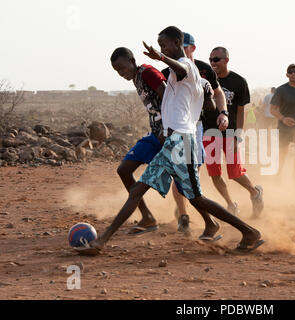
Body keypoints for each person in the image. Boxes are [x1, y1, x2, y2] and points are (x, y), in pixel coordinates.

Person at [81, 26, 263, 255]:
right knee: (163, 193)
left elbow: (181, 68)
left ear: (178, 42)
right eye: (160, 46)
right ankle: (103, 241)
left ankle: (249, 232)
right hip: (174, 140)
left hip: (182, 141)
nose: (162, 49)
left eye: (165, 45)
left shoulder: (186, 65)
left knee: (188, 196)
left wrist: (161, 58)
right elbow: (203, 95)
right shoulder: (180, 73)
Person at [161, 32, 229, 234]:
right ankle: (184, 215)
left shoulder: (204, 69)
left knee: (193, 172)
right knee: (181, 173)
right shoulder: (169, 70)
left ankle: (200, 215)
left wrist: (223, 113)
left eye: (187, 47)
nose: (183, 51)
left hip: (196, 127)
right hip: (177, 129)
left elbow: (218, 93)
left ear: (191, 48)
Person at [110, 47, 166, 235]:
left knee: (187, 189)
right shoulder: (136, 78)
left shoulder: (148, 72)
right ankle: (148, 217)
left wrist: (167, 127)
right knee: (124, 170)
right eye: (117, 71)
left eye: (123, 68)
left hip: (168, 135)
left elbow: (168, 97)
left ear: (132, 61)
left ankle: (210, 222)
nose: (121, 73)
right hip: (155, 134)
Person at [204, 46, 264, 218]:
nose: (212, 63)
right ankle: (230, 204)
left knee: (235, 173)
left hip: (230, 133)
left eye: (216, 59)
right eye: (210, 60)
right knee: (214, 173)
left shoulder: (238, 81)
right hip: (209, 132)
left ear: (226, 60)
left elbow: (240, 110)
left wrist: (238, 133)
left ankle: (254, 192)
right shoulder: (206, 80)